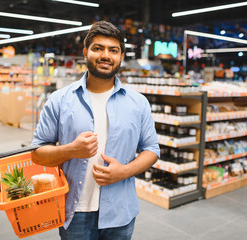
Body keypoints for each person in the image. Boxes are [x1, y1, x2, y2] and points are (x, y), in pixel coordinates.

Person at [31, 21, 160, 240]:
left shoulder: (138, 103)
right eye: (98, 48)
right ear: (86, 52)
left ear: (121, 56)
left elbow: (152, 149)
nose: (105, 55)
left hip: (120, 212)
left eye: (113, 50)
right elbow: (37, 153)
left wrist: (125, 171)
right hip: (75, 211)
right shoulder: (59, 100)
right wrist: (71, 150)